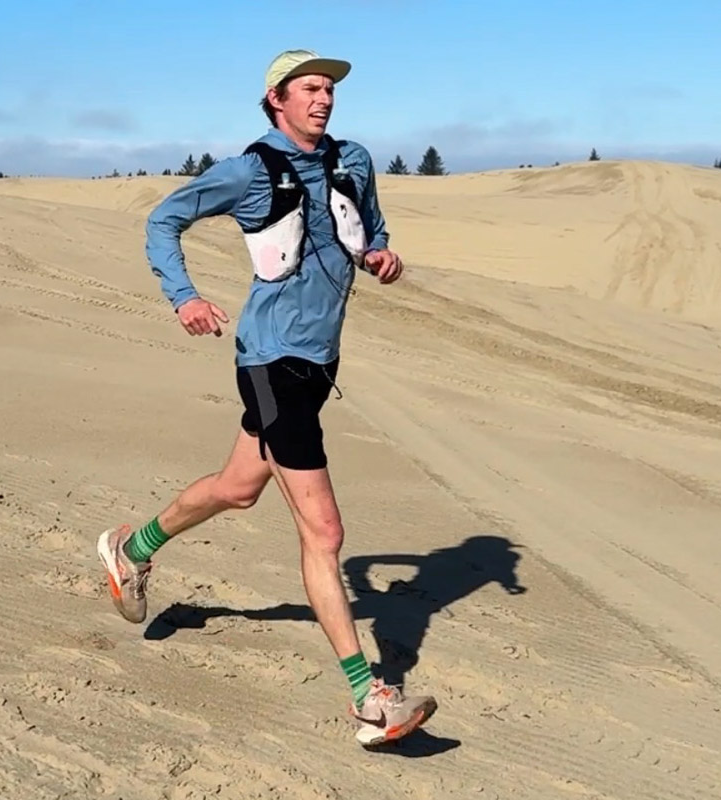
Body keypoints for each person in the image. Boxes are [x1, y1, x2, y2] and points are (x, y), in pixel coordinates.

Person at [96, 48, 437, 746]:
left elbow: (371, 230)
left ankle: (132, 548)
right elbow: (162, 221)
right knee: (325, 532)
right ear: (276, 99)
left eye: (330, 89)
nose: (324, 99)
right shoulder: (249, 171)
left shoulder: (355, 161)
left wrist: (380, 256)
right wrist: (183, 297)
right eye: (310, 88)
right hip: (270, 362)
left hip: (318, 362)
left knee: (238, 487)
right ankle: (368, 701)